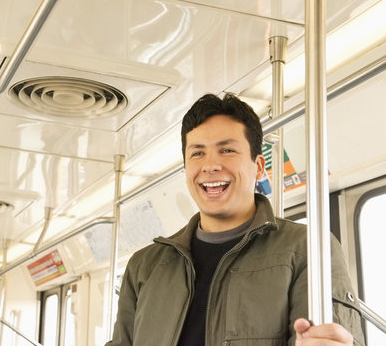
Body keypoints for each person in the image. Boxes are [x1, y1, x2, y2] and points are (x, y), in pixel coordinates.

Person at [106, 93, 365, 346]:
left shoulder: (308, 249)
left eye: (227, 150)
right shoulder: (144, 266)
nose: (210, 165)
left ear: (259, 166)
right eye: (197, 153)